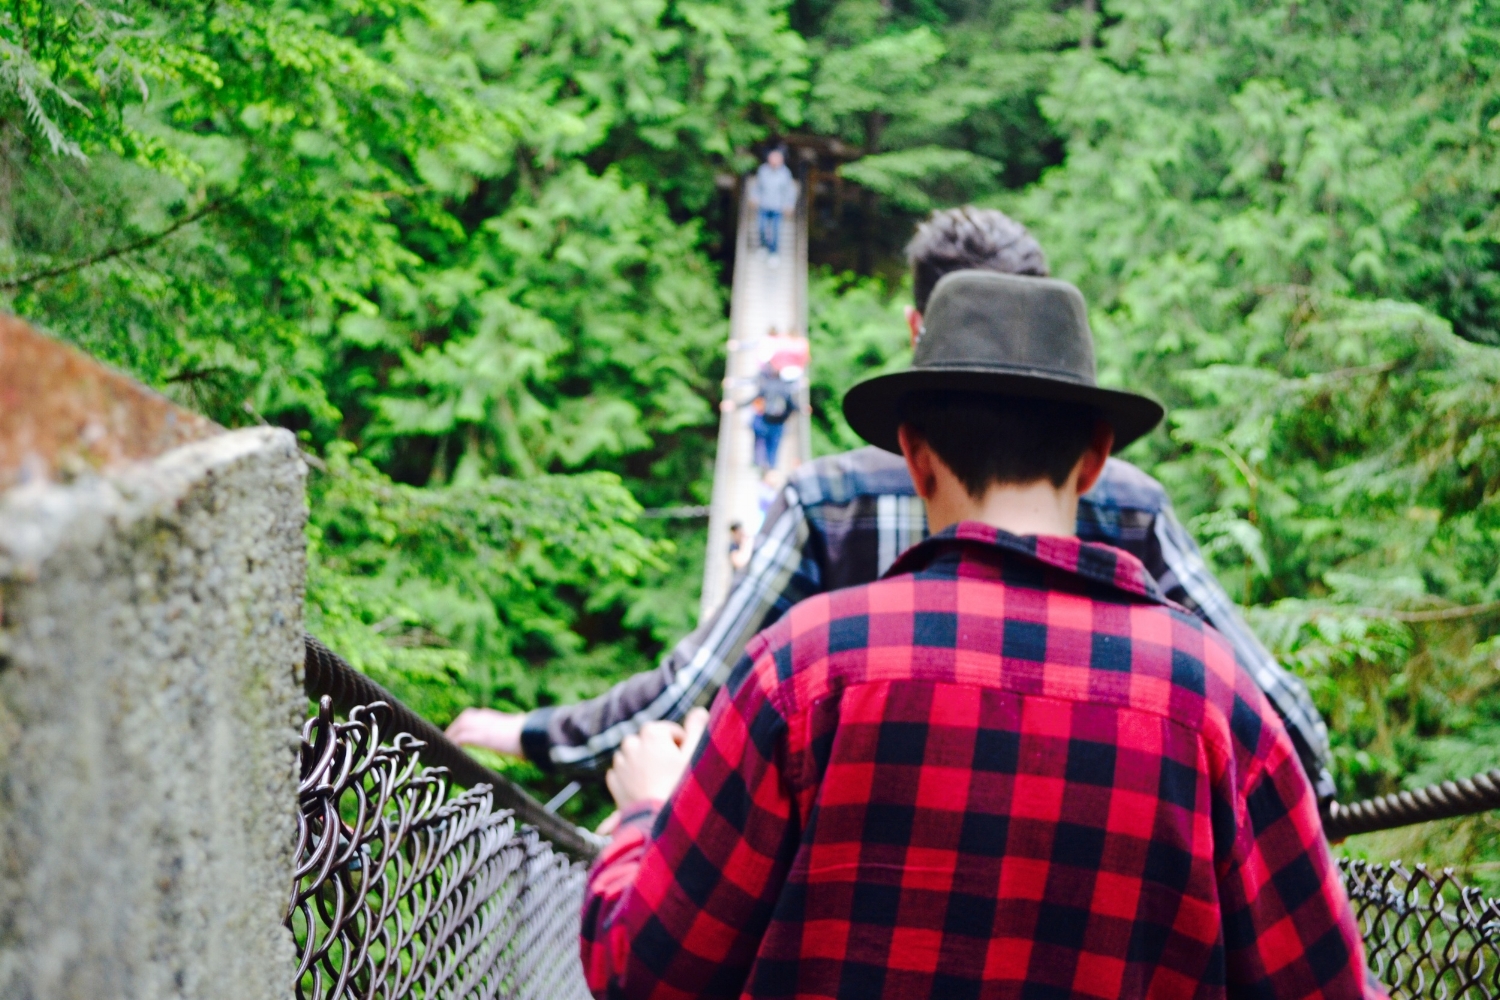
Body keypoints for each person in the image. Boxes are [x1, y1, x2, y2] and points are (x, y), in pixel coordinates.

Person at [580, 271, 1374, 998]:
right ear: (1097, 458)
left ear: (915, 458)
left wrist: (647, 810)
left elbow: (642, 977)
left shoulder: (806, 669)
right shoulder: (1210, 697)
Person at [444, 207, 1335, 806]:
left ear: (920, 353)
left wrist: (533, 734)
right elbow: (1292, 737)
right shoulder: (1134, 519)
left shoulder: (826, 521)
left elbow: (687, 696)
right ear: (1092, 448)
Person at [749, 148, 797, 259]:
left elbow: (790, 190)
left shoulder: (785, 173)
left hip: (778, 207)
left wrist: (790, 204)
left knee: (776, 231)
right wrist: (754, 197)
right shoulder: (763, 170)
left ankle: (774, 252)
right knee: (761, 227)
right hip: (764, 205)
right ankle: (763, 247)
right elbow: (757, 187)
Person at [751, 363, 798, 471]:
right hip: (779, 423)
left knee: (763, 442)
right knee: (774, 448)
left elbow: (753, 399)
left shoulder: (766, 386)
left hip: (766, 420)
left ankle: (760, 465)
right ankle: (771, 468)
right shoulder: (786, 388)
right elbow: (792, 405)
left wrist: (735, 405)